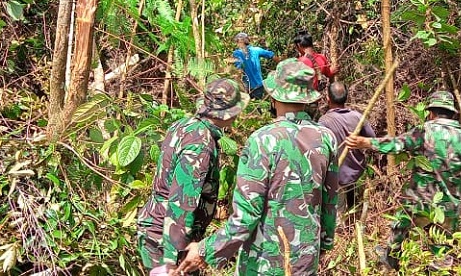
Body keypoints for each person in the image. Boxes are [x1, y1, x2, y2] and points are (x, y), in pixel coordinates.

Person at [177, 59, 340, 276]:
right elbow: (330, 201)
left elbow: (246, 215)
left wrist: (206, 250)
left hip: (264, 261)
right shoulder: (326, 138)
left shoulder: (262, 140)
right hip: (305, 258)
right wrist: (325, 242)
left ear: (273, 96)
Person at [345, 90, 461, 271]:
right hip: (448, 207)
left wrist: (366, 142)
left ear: (431, 112)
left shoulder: (424, 131)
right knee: (441, 254)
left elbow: (396, 145)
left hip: (419, 201)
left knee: (399, 230)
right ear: (452, 113)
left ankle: (390, 258)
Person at [136, 79, 249, 276]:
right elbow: (182, 202)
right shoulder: (200, 143)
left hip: (162, 232)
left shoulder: (185, 125)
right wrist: (172, 260)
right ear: (228, 113)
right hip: (166, 238)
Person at [317, 81, 376, 216]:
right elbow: (372, 139)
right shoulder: (357, 116)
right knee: (356, 209)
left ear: (328, 99)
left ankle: (345, 233)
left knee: (340, 215)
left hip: (337, 177)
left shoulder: (323, 121)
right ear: (346, 97)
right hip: (357, 172)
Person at [232, 32, 275, 99]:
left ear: (239, 42)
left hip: (246, 86)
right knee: (258, 105)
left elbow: (239, 69)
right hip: (259, 84)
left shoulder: (237, 53)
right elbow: (271, 55)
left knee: (248, 106)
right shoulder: (256, 50)